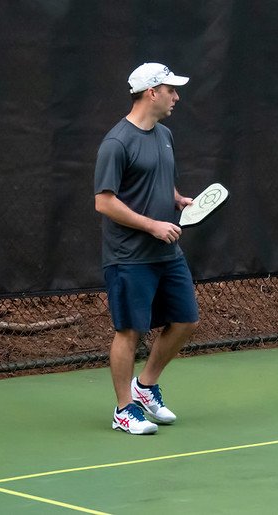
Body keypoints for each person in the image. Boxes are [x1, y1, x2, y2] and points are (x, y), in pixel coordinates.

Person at [94, 62, 198, 434]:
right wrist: (151, 225)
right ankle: (124, 409)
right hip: (129, 257)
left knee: (186, 321)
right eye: (171, 89)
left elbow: (157, 179)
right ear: (152, 92)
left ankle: (146, 386)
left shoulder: (164, 134)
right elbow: (104, 202)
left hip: (167, 253)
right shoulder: (116, 143)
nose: (176, 96)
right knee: (129, 331)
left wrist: (177, 199)